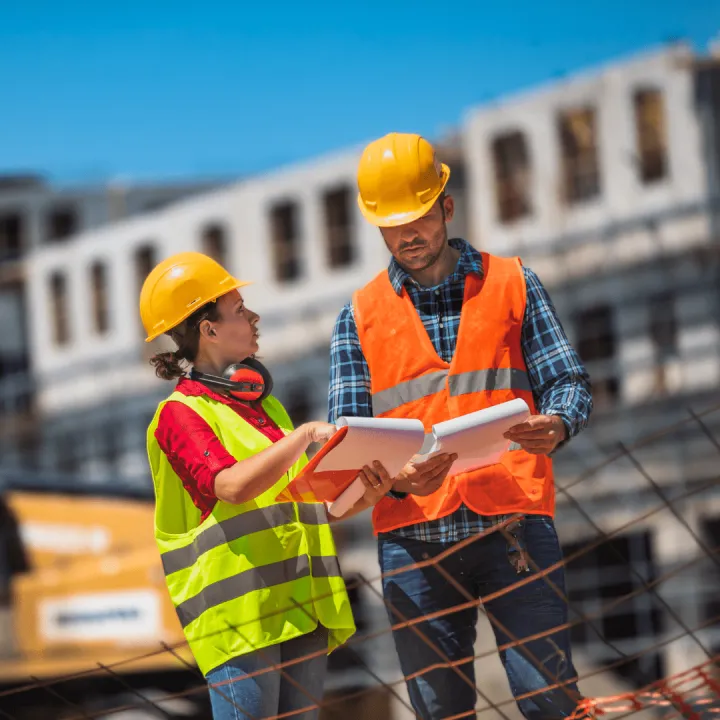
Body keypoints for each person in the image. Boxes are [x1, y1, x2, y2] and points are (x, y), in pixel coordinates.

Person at [328, 133, 594, 720]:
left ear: (446, 206)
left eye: (418, 218)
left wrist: (559, 423)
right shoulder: (358, 317)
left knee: (552, 703)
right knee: (440, 713)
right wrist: (398, 481)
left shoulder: (514, 282)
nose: (407, 237)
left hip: (515, 525)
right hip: (414, 544)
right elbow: (345, 455)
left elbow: (568, 382)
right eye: (392, 226)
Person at [141, 252, 387, 720]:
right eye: (239, 310)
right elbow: (231, 486)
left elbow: (301, 508)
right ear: (208, 330)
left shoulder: (264, 409)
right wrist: (303, 437)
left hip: (302, 605)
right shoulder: (180, 414)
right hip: (242, 622)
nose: (254, 317)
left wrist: (360, 497)